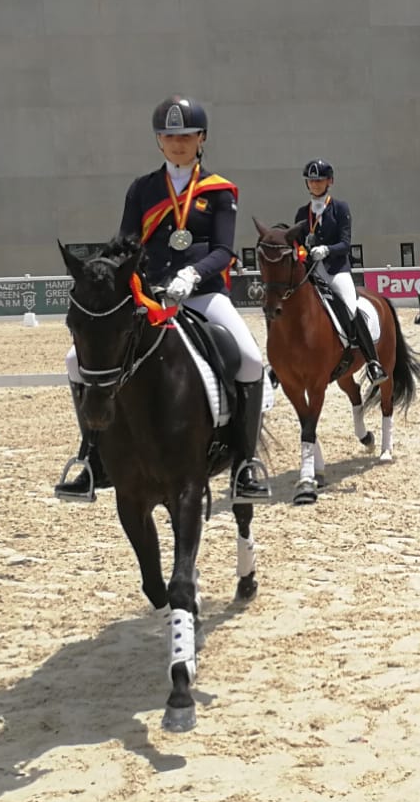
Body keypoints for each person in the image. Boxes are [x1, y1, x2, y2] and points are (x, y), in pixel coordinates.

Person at [55, 94, 269, 502]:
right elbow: (124, 244)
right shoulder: (142, 189)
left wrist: (193, 274)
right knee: (74, 361)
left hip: (203, 294)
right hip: (151, 296)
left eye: (186, 135)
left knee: (250, 359)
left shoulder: (220, 191)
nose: (178, 143)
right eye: (170, 136)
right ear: (159, 141)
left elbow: (223, 250)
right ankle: (92, 457)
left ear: (201, 138)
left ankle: (244, 463)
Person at [295, 159, 384, 385]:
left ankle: (372, 362)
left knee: (350, 307)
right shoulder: (301, 213)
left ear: (329, 181)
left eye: (320, 180)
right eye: (312, 181)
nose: (315, 185)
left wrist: (326, 250)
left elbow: (345, 243)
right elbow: (297, 244)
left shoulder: (340, 208)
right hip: (312, 273)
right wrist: (303, 252)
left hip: (335, 270)